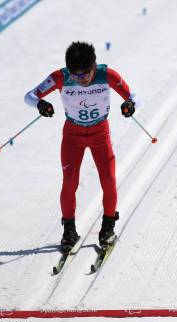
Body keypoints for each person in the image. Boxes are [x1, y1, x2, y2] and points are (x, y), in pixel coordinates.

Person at [24, 41, 139, 250]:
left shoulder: (108, 75)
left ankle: (108, 227)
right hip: (72, 135)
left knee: (108, 179)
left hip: (100, 134)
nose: (81, 80)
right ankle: (69, 230)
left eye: (85, 74)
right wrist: (40, 104)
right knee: (69, 181)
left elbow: (134, 96)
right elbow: (30, 96)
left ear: (94, 66)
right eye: (75, 75)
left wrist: (129, 104)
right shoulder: (61, 77)